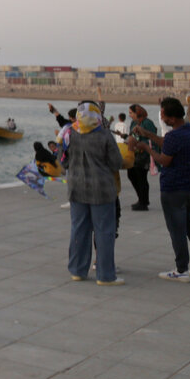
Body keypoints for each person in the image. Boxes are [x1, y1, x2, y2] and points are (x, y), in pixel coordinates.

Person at [129, 97, 190, 283]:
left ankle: (181, 269)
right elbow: (167, 144)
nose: (161, 117)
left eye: (163, 115)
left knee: (177, 230)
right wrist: (148, 135)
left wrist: (145, 147)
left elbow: (164, 160)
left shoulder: (175, 136)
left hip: (174, 189)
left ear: (172, 119)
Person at [63, 102, 123, 285]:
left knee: (79, 230)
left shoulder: (68, 134)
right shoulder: (104, 135)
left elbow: (62, 161)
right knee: (104, 231)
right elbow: (116, 163)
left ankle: (77, 271)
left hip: (76, 189)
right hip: (101, 190)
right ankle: (105, 275)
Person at [125, 104, 156, 211]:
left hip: (144, 155)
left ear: (137, 113)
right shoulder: (133, 123)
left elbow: (152, 137)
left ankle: (143, 202)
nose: (129, 115)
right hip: (135, 154)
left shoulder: (147, 123)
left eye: (131, 113)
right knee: (131, 174)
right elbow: (131, 135)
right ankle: (141, 199)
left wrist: (142, 145)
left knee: (141, 177)